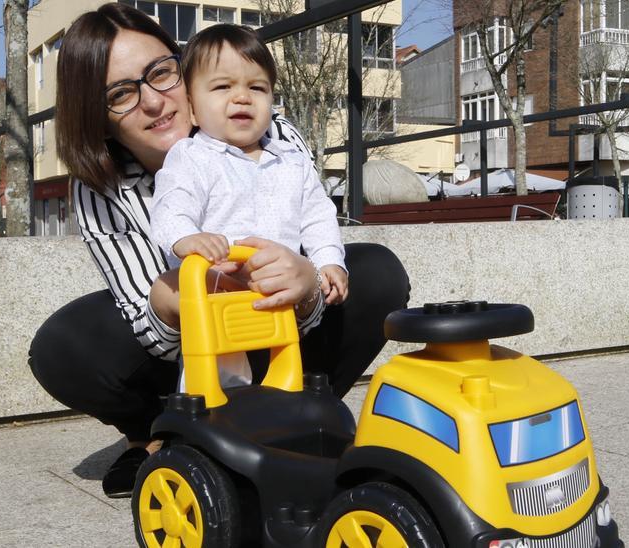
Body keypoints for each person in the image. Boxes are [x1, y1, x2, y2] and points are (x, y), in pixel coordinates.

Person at [26, 3, 410, 499]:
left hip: (284, 321)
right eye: (121, 93)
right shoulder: (101, 187)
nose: (153, 101)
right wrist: (188, 288)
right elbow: (150, 329)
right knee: (65, 342)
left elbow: (314, 211)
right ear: (96, 115)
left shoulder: (271, 134)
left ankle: (296, 413)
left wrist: (310, 280)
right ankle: (160, 431)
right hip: (192, 336)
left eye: (161, 73)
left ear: (183, 69)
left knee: (375, 270)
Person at [149, 24, 348, 306]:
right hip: (218, 292)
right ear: (192, 109)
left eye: (257, 87)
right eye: (222, 86)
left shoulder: (291, 160)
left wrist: (328, 260)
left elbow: (318, 217)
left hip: (281, 294)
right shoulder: (192, 156)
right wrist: (186, 237)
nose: (242, 97)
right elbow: (171, 204)